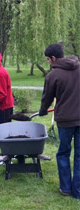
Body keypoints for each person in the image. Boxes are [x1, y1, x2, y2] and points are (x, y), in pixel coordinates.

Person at [39, 43, 80, 199]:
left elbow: (47, 98)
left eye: (48, 59)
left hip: (65, 121)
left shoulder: (52, 76)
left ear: (54, 58)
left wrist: (42, 111)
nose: (48, 62)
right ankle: (78, 192)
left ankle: (65, 188)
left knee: (63, 153)